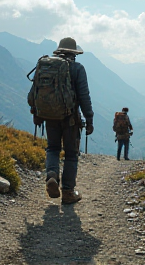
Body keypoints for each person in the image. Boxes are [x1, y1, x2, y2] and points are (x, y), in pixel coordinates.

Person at [37, 37, 94, 204]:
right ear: (74, 53)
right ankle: (68, 192)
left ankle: (52, 176)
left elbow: (35, 92)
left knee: (53, 148)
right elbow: (84, 96)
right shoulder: (77, 69)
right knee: (71, 154)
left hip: (49, 116)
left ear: (59, 51)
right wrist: (89, 118)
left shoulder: (46, 66)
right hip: (70, 119)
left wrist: (37, 113)